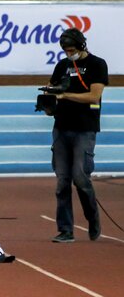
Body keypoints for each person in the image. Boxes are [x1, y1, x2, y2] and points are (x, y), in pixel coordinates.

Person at [44, 27, 108, 243]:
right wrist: (48, 101)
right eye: (65, 50)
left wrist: (66, 95)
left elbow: (94, 95)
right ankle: (65, 229)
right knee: (62, 181)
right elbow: (52, 90)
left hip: (85, 128)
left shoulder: (97, 65)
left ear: (81, 46)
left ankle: (93, 217)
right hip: (61, 127)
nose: (68, 53)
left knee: (80, 177)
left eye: (71, 49)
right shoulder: (62, 66)